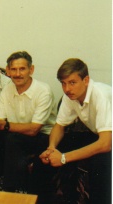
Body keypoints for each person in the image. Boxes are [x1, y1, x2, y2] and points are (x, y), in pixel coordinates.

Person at [0, 51, 56, 193]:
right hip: (16, 132)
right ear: (8, 71)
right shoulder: (8, 89)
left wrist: (5, 125)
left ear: (31, 70)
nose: (17, 74)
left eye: (22, 69)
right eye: (13, 69)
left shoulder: (43, 91)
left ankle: (12, 188)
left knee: (13, 139)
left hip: (43, 136)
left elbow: (34, 129)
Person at [39, 58, 111, 204]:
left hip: (108, 141)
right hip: (99, 135)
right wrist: (52, 148)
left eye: (72, 82)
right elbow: (59, 126)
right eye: (63, 84)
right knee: (44, 158)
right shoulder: (70, 95)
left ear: (86, 80)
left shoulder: (101, 95)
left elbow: (105, 144)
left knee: (100, 164)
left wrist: (64, 158)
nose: (67, 89)